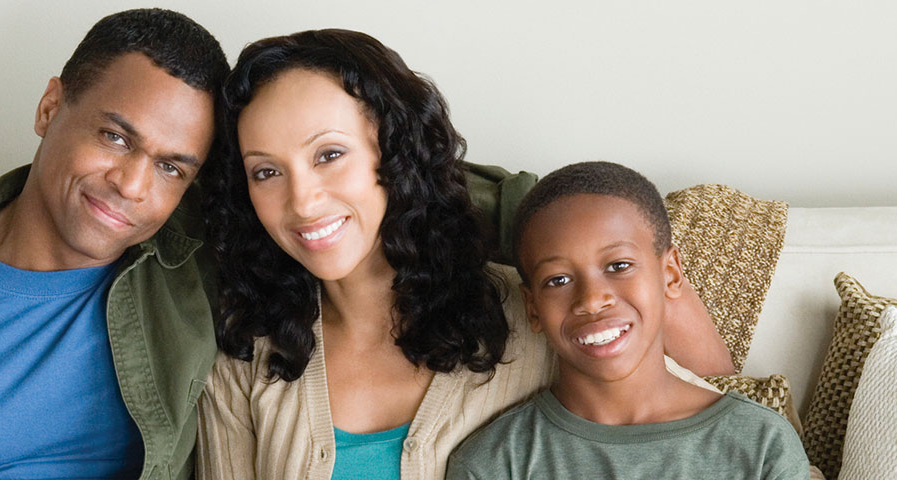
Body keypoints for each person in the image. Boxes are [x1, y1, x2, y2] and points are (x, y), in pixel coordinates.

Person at [196, 30, 733, 480]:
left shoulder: (534, 316)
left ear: (394, 151)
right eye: (266, 171)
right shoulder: (245, 349)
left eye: (329, 155)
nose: (302, 201)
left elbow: (722, 426)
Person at [0, 8, 228, 479]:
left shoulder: (204, 270)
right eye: (114, 137)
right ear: (49, 108)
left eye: (171, 168)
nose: (132, 185)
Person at [444, 162, 809, 479]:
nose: (591, 300)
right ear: (533, 308)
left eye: (618, 266)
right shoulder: (495, 463)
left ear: (669, 274)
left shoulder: (761, 443)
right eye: (558, 280)